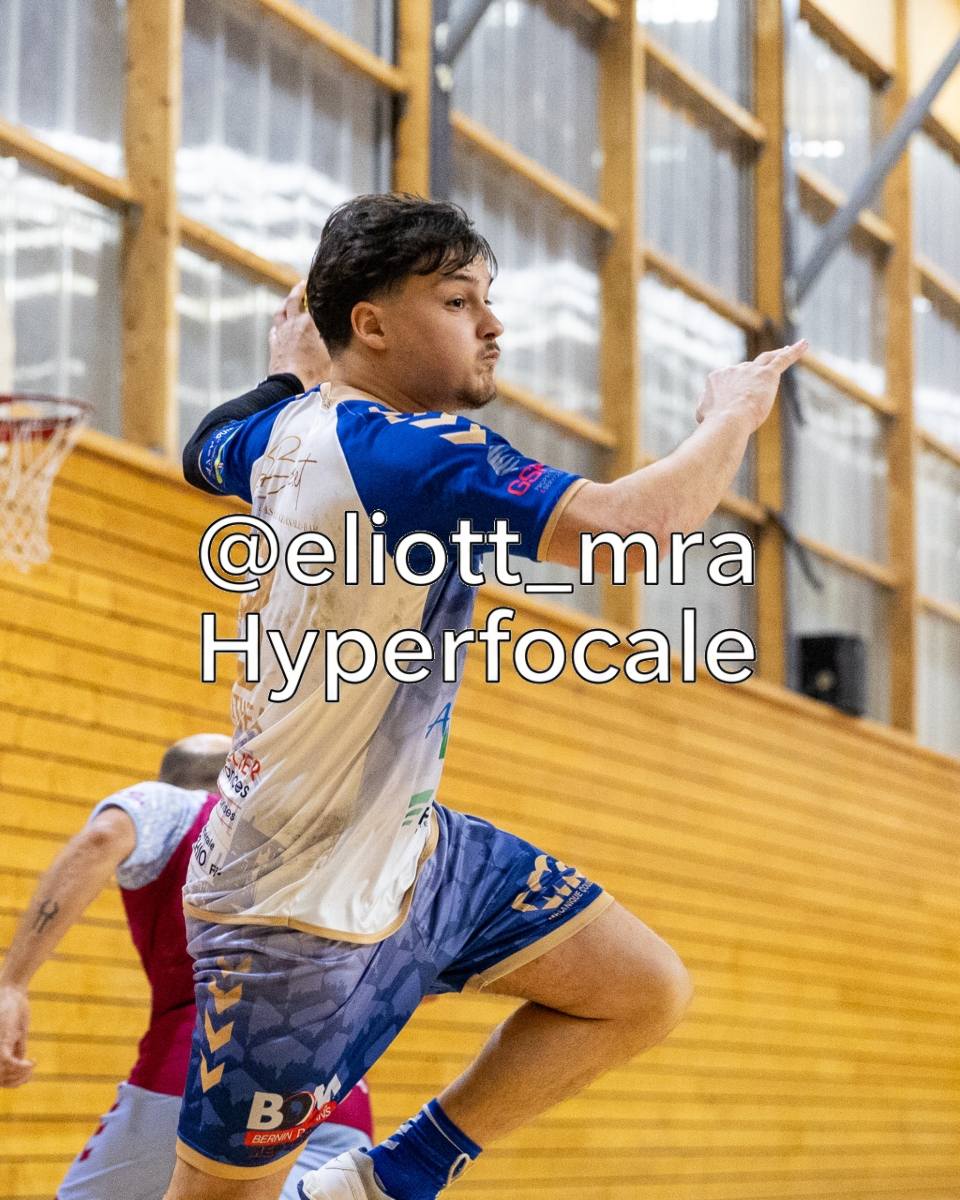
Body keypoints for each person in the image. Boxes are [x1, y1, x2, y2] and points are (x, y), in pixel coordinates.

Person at [176, 194, 807, 1200]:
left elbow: (203, 444)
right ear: (371, 325)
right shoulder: (408, 451)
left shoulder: (286, 429)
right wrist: (732, 414)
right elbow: (631, 532)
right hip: (292, 907)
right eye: (459, 301)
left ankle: (381, 1183)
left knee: (637, 989)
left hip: (413, 851)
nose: (493, 324)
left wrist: (292, 371)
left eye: (486, 299)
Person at [0, 734, 375, 1200]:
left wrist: (12, 982)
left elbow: (102, 836)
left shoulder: (173, 806)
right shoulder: (313, 840)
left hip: (202, 1072)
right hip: (336, 1096)